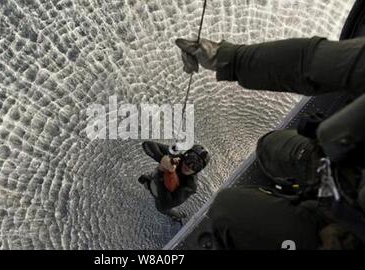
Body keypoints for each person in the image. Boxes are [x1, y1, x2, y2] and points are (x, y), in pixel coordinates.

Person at [175, 36, 365, 249]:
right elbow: (312, 61)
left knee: (227, 210)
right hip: (339, 164)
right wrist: (226, 57)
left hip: (349, 231)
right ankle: (298, 192)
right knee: (269, 147)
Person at [139, 141, 210, 221]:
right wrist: (161, 158)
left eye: (196, 166)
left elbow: (165, 204)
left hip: (163, 196)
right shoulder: (177, 156)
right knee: (144, 180)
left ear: (198, 170)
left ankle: (178, 216)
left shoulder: (190, 185)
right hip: (157, 182)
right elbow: (147, 144)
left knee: (162, 209)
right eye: (190, 159)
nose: (189, 166)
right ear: (185, 155)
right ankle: (150, 186)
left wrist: (161, 173)